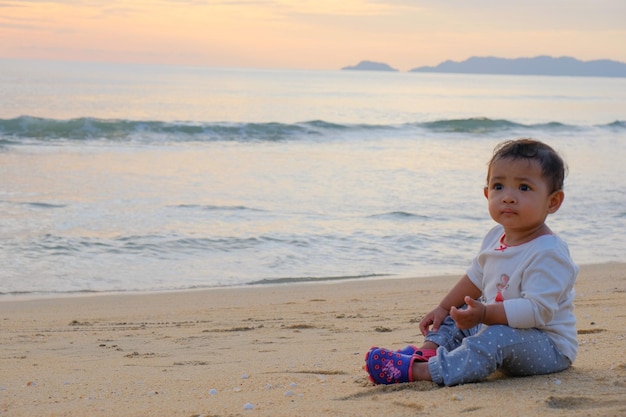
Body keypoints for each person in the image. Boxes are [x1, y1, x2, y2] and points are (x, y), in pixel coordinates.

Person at [365, 138, 578, 386]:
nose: (508, 197)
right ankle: (428, 351)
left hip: (546, 346)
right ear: (487, 193)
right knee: (459, 312)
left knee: (494, 335)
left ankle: (423, 372)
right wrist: (444, 308)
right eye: (499, 186)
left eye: (524, 188)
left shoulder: (548, 252)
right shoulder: (494, 237)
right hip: (498, 327)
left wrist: (486, 313)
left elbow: (537, 311)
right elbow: (475, 277)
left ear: (552, 201)